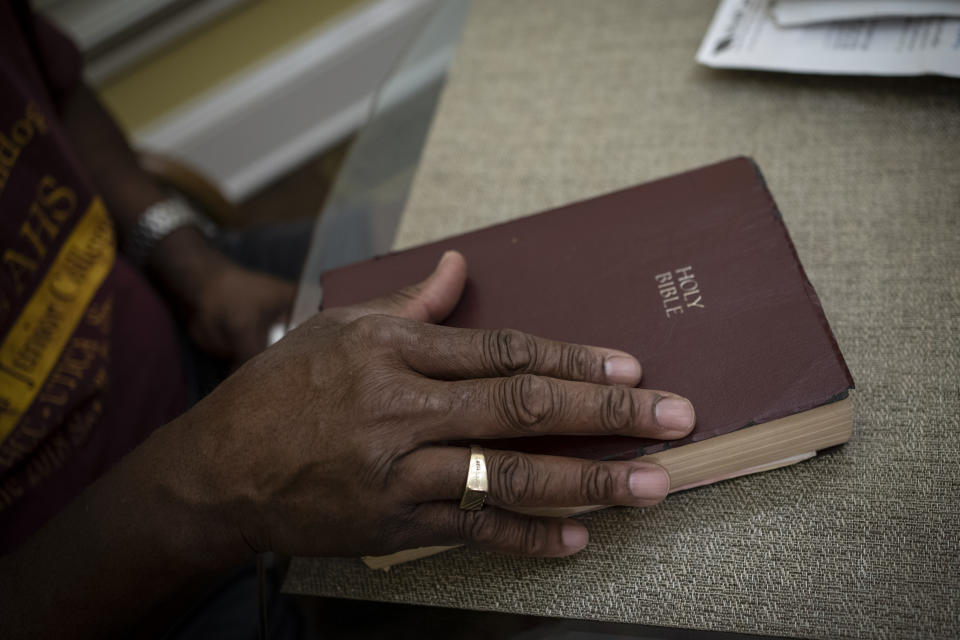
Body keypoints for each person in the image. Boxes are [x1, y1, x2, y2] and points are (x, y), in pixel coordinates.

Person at [0, 2, 697, 637]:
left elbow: (53, 85)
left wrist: (192, 265)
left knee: (529, 234)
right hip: (109, 584)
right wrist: (219, 477)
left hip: (173, 313)